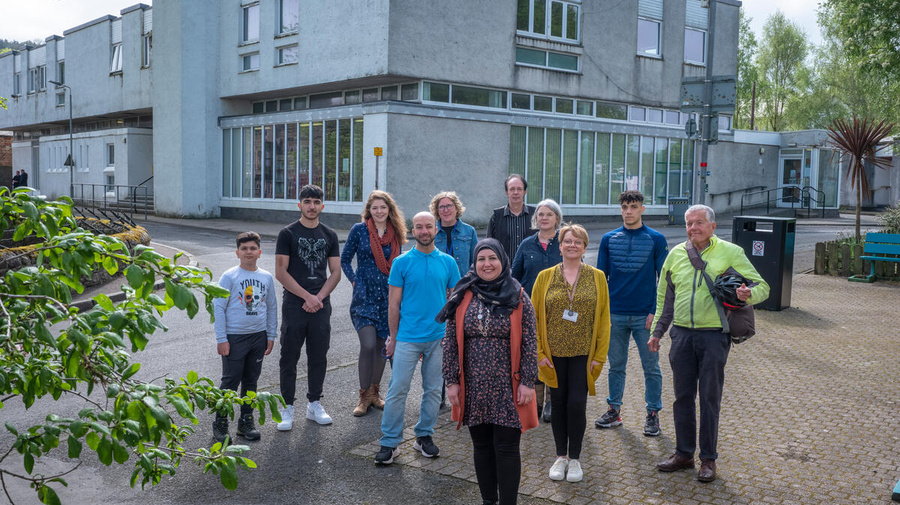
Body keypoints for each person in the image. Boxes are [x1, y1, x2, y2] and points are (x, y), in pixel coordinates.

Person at [650, 204, 769, 483]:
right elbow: (664, 298)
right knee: (682, 397)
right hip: (681, 335)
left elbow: (763, 286)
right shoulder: (676, 254)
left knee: (709, 398)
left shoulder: (731, 252)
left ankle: (708, 459)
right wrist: (658, 331)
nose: (693, 228)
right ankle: (683, 453)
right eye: (689, 223)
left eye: (699, 223)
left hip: (714, 336)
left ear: (713, 226)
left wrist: (746, 294)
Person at [438, 238, 538, 505]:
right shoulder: (462, 294)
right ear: (474, 263)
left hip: (508, 385)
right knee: (482, 448)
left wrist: (528, 381)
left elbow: (530, 340)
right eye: (481, 259)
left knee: (506, 449)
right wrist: (451, 381)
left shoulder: (518, 296)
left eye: (492, 258)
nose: (487, 264)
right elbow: (450, 340)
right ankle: (487, 501)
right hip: (473, 385)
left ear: (502, 261)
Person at [375, 212, 461, 465]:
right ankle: (390, 443)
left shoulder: (448, 263)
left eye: (428, 226)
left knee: (433, 391)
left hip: (438, 338)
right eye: (419, 227)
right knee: (397, 390)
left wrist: (451, 336)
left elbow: (454, 302)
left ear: (436, 229)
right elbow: (394, 304)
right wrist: (392, 337)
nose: (424, 231)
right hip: (407, 338)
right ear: (413, 230)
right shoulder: (402, 262)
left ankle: (424, 435)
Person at [531, 224, 610, 483]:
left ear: (585, 247)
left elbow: (604, 319)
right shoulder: (544, 277)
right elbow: (533, 319)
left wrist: (599, 356)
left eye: (578, 241)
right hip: (552, 356)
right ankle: (560, 456)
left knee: (577, 404)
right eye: (567, 241)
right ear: (560, 245)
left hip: (583, 356)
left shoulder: (597, 277)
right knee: (558, 405)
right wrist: (539, 353)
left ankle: (575, 458)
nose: (572, 245)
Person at [595, 191, 668, 436]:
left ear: (642, 209)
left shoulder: (656, 239)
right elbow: (599, 279)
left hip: (643, 317)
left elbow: (665, 281)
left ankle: (653, 414)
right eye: (625, 207)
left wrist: (654, 313)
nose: (628, 211)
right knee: (615, 365)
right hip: (614, 314)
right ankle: (614, 410)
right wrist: (603, 312)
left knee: (651, 367)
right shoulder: (608, 239)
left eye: (634, 206)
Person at [275, 184, 341, 429]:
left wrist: (319, 298)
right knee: (289, 357)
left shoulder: (330, 235)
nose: (311, 206)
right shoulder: (287, 233)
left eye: (316, 202)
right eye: (307, 201)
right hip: (294, 303)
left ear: (322, 206)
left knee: (318, 355)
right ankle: (287, 406)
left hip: (321, 305)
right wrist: (306, 297)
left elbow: (335, 272)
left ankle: (314, 403)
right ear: (299, 205)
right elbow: (281, 272)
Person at [341, 190, 407, 417]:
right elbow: (345, 259)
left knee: (382, 347)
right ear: (369, 210)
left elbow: (400, 264)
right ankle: (363, 394)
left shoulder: (395, 232)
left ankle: (374, 394)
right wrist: (353, 280)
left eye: (383, 207)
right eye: (374, 208)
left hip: (388, 296)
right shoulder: (359, 230)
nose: (379, 211)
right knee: (368, 344)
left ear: (390, 210)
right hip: (364, 296)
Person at [212, 232, 277, 443]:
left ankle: (245, 422)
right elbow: (219, 308)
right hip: (234, 337)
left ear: (259, 252)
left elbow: (272, 307)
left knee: (251, 382)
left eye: (252, 249)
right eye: (244, 249)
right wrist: (222, 338)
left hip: (258, 337)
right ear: (237, 252)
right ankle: (220, 424)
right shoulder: (229, 276)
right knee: (230, 382)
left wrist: (270, 334)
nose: (248, 252)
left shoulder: (266, 277)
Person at [511, 198, 563, 419]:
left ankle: (551, 401)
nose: (544, 218)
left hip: (558, 310)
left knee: (553, 353)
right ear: (536, 219)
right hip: (530, 309)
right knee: (532, 352)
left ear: (557, 219)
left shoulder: (564, 242)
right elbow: (514, 276)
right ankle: (537, 400)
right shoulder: (527, 244)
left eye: (549, 214)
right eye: (540, 214)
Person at [487, 174, 536, 262]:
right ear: (506, 192)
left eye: (519, 189)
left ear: (525, 192)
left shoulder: (535, 215)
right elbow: (489, 245)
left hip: (529, 269)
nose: (516, 192)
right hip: (503, 270)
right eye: (512, 189)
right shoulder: (496, 217)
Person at [431, 191, 478, 277]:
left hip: (463, 283)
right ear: (437, 211)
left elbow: (475, 262)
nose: (446, 210)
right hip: (439, 283)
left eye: (449, 206)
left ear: (456, 208)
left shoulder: (469, 231)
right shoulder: (431, 232)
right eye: (441, 207)